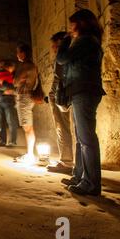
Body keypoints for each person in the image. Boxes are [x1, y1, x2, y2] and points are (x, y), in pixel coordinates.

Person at [57, 9, 106, 196]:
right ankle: (79, 176)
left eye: (72, 24)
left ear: (81, 23)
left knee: (86, 140)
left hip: (84, 92)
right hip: (82, 91)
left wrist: (65, 42)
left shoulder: (86, 41)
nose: (70, 29)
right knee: (81, 138)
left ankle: (91, 184)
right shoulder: (88, 41)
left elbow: (63, 59)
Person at [46, 32, 74, 174]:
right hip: (59, 95)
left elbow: (60, 78)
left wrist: (54, 95)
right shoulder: (65, 56)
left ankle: (66, 162)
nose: (52, 47)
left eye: (53, 44)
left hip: (60, 96)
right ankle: (67, 160)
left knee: (61, 127)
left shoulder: (63, 57)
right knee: (62, 127)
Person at [13, 43, 39, 164]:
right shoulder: (31, 65)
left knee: (27, 127)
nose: (17, 54)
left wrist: (18, 79)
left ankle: (30, 155)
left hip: (24, 97)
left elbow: (16, 81)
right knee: (27, 126)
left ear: (23, 53)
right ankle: (29, 153)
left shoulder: (26, 65)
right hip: (26, 96)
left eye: (18, 52)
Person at [0, 60, 18, 148]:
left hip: (9, 100)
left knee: (11, 121)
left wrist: (2, 86)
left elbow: (14, 87)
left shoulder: (13, 76)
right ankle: (2, 141)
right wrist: (5, 89)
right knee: (0, 122)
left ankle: (12, 141)